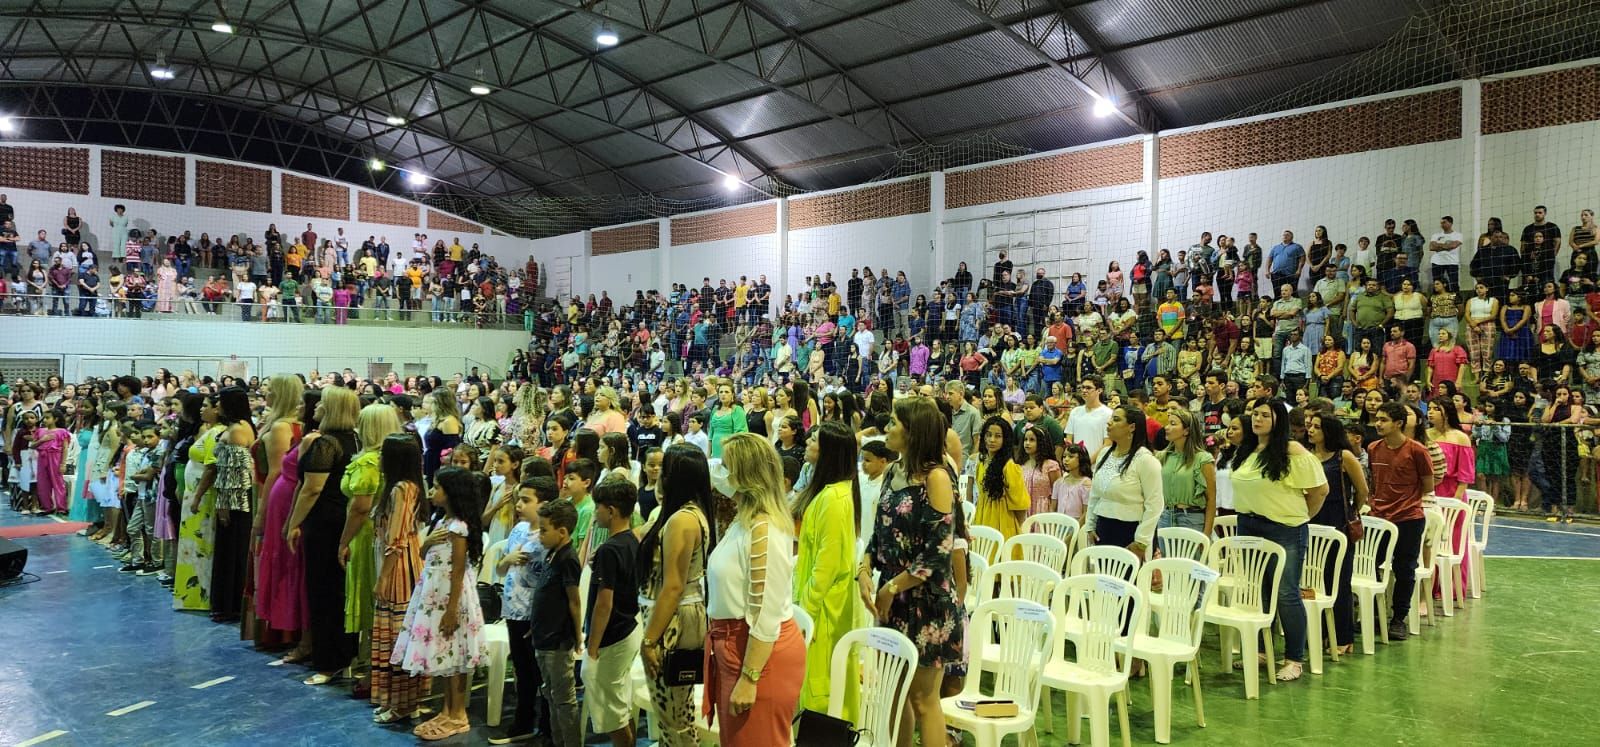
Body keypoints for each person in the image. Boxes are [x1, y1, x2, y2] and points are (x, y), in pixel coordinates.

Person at [856, 396, 958, 747]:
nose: (886, 428)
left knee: (923, 699)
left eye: (893, 423)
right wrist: (864, 568)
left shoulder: (937, 477)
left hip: (926, 602)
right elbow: (880, 532)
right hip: (894, 596)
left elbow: (937, 553)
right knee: (895, 692)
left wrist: (891, 588)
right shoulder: (893, 472)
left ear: (912, 432)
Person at [706, 433, 805, 746]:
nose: (720, 472)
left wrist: (750, 677)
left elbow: (766, 612)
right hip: (737, 647)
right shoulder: (745, 519)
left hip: (756, 654)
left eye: (726, 466)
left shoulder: (765, 528)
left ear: (745, 476)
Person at [1229, 398, 1328, 681]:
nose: (1257, 419)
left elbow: (1320, 490)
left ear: (1278, 420)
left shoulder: (1292, 450)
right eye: (1254, 414)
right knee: (1258, 591)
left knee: (1286, 593)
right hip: (1249, 525)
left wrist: (1299, 518)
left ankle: (1294, 658)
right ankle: (1262, 651)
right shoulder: (1248, 449)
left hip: (1284, 528)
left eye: (1264, 415)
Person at [391, 466, 490, 741]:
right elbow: (426, 553)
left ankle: (458, 714)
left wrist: (451, 610)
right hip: (435, 593)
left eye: (437, 487)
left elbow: (457, 570)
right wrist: (427, 542)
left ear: (451, 493)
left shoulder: (458, 527)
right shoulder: (442, 522)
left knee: (455, 655)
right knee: (445, 656)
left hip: (450, 597)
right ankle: (447, 710)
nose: (432, 492)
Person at [636, 445, 715, 747]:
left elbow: (673, 586)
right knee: (673, 713)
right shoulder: (687, 514)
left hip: (673, 620)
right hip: (674, 615)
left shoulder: (682, 519)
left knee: (673, 716)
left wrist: (649, 640)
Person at [284, 386, 361, 684]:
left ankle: (328, 661)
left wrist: (293, 522)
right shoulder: (356, 439)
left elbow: (312, 489)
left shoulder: (326, 444)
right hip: (344, 520)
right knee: (340, 591)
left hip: (324, 523)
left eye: (321, 404)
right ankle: (343, 655)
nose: (315, 407)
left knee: (323, 592)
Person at [792, 421, 861, 716]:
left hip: (824, 608)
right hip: (820, 602)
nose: (808, 442)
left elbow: (826, 565)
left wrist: (805, 612)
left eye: (815, 440)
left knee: (823, 688)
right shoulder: (832, 492)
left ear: (829, 451)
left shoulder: (834, 498)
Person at [371, 434, 432, 725]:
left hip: (400, 569)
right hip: (401, 563)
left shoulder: (401, 489)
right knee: (399, 635)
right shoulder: (406, 487)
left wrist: (383, 578)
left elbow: (396, 540)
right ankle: (401, 701)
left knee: (398, 637)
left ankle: (403, 703)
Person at [1365, 402, 1434, 642]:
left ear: (1399, 423)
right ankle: (1374, 614)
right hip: (1379, 519)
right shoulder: (1373, 448)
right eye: (1377, 419)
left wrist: (1404, 500)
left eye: (1383, 419)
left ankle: (1398, 619)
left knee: (1404, 569)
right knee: (1369, 565)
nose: (1378, 423)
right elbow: (1374, 481)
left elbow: (1428, 485)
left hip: (1408, 519)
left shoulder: (1417, 450)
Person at [582, 480, 643, 747]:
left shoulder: (610, 549)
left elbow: (604, 604)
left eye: (598, 507)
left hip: (613, 634)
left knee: (610, 708)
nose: (595, 512)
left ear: (611, 510)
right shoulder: (632, 541)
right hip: (629, 627)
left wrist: (592, 647)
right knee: (620, 702)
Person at [1305, 411, 1368, 658]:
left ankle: (1343, 637)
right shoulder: (1308, 456)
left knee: (1339, 581)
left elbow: (1362, 490)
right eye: (1310, 426)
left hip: (1338, 523)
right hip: (1313, 520)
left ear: (1329, 431)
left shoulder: (1344, 457)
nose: (1311, 430)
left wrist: (1351, 511)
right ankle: (1319, 632)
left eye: (1317, 426)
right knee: (1314, 579)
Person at [531, 497, 584, 747]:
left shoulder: (568, 559)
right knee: (550, 695)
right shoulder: (552, 553)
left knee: (564, 699)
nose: (539, 535)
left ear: (562, 531)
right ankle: (557, 741)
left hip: (558, 641)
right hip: (542, 636)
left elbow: (574, 601)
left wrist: (578, 635)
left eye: (543, 530)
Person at [1084, 403, 1163, 560]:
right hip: (1103, 528)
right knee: (1103, 575)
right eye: (1110, 418)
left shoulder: (1146, 460)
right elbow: (1095, 494)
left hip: (1132, 532)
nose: (1109, 423)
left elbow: (1154, 504)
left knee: (1129, 576)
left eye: (1116, 419)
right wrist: (1090, 525)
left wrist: (1141, 542)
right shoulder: (1104, 454)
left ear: (1131, 427)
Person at [1158, 408, 1216, 536]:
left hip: (1191, 518)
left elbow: (1211, 500)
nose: (1166, 427)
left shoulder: (1203, 459)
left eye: (1173, 424)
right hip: (1165, 517)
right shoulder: (1162, 457)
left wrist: (1206, 534)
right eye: (1167, 423)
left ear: (1186, 430)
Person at [973, 416, 1029, 539]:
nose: (992, 440)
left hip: (1003, 523)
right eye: (988, 435)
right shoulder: (981, 463)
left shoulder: (1009, 467)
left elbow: (1021, 506)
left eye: (998, 436)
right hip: (981, 517)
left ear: (1005, 439)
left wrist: (1016, 530)